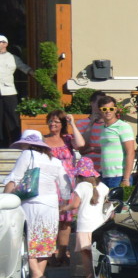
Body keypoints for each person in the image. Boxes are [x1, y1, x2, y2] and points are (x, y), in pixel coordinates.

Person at [3, 130, 72, 278]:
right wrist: (65, 202)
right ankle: (37, 277)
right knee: (45, 241)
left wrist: (5, 197)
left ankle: (36, 274)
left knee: (28, 240)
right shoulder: (54, 160)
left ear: (27, 143)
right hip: (51, 204)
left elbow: (15, 177)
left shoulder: (28, 154)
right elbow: (65, 184)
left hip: (31, 203)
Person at [43, 110, 84, 265]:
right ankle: (49, 252)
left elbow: (80, 144)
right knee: (51, 219)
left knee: (65, 220)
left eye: (56, 121)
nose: (52, 124)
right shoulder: (42, 140)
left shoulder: (67, 139)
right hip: (49, 184)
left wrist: (72, 122)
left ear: (62, 124)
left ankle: (62, 252)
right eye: (50, 121)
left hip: (66, 183)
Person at [67, 158, 109, 278]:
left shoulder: (81, 186)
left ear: (80, 175)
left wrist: (62, 208)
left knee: (86, 254)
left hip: (85, 225)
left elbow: (74, 205)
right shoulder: (103, 187)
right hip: (99, 224)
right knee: (100, 254)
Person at [96, 95, 137, 190]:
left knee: (118, 204)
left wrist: (126, 178)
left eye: (111, 108)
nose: (108, 111)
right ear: (99, 110)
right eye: (104, 109)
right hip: (105, 175)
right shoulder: (102, 128)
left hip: (119, 176)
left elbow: (130, 152)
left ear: (115, 110)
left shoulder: (123, 126)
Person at [0, 35, 31, 147]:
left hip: (9, 92)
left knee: (12, 118)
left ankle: (16, 142)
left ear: (5, 44)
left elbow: (24, 68)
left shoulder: (13, 57)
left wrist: (39, 76)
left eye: (1, 42)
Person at [76, 91, 108, 173]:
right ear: (92, 103)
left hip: (107, 167)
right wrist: (91, 124)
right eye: (98, 103)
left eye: (103, 103)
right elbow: (82, 149)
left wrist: (92, 149)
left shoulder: (110, 124)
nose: (101, 106)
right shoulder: (81, 123)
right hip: (89, 169)